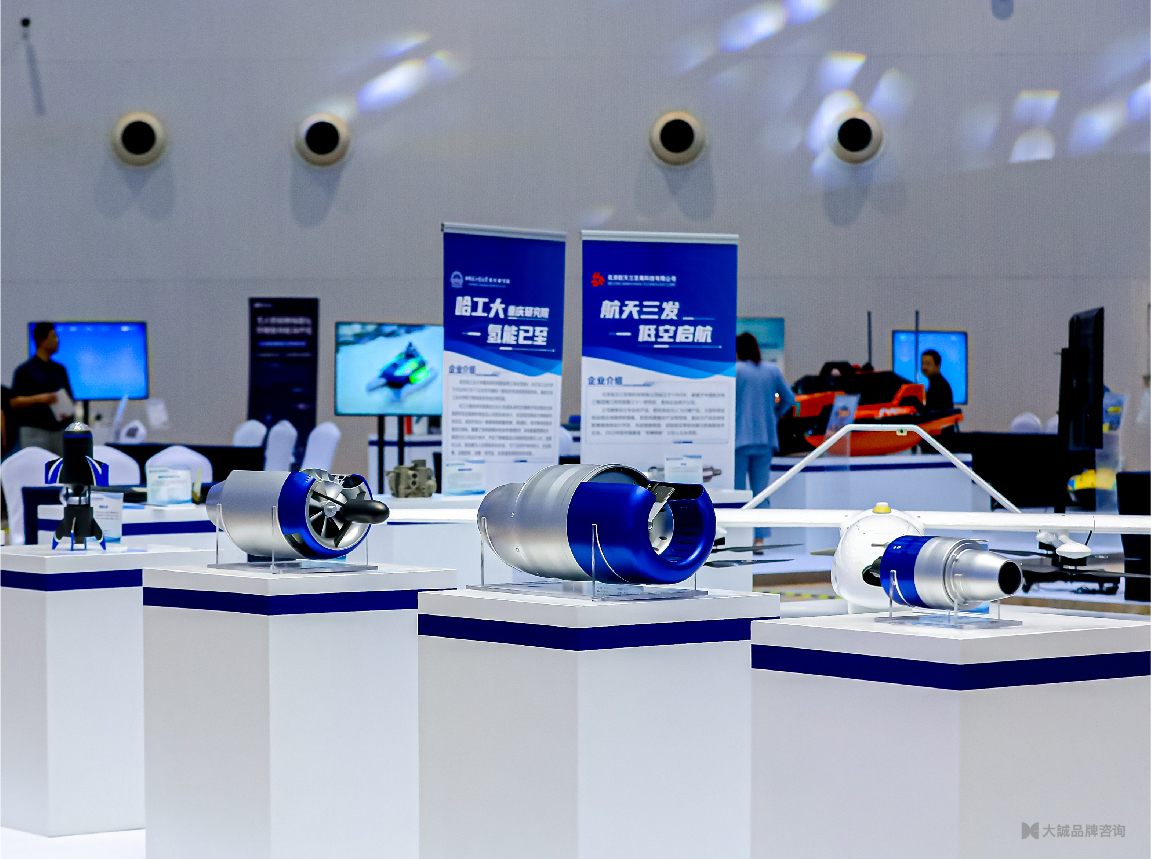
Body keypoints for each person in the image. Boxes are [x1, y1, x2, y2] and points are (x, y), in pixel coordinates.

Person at [734, 332, 795, 549]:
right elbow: (789, 398)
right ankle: (759, 539)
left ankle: (739, 537)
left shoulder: (736, 371)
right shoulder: (771, 370)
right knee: (761, 492)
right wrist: (774, 415)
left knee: (738, 492)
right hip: (766, 438)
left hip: (738, 439)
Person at [11, 322, 74, 456]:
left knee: (60, 466)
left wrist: (68, 410)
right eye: (53, 336)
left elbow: (69, 396)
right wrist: (39, 399)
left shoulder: (59, 369)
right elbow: (14, 401)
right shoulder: (25, 370)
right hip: (34, 431)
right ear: (42, 340)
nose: (57, 340)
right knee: (36, 465)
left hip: (58, 430)